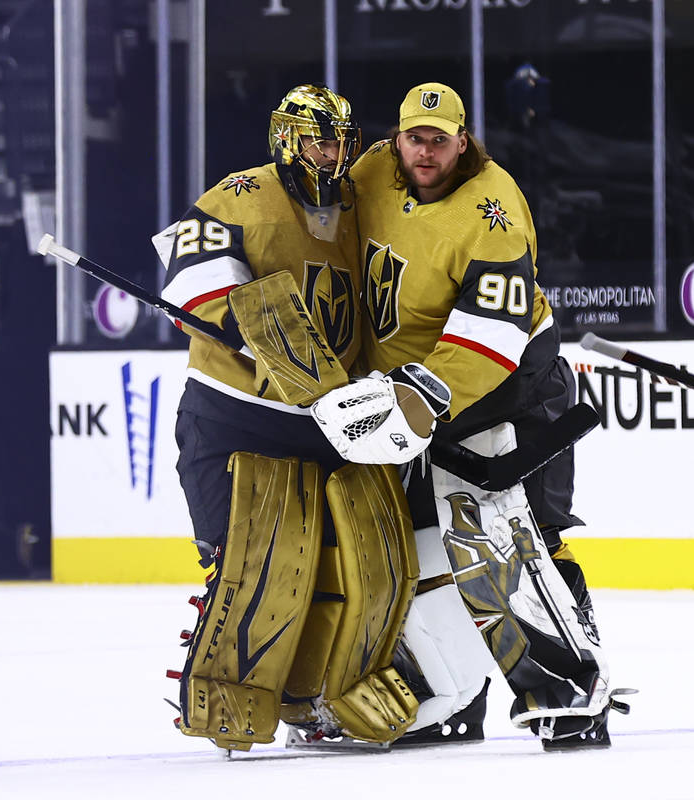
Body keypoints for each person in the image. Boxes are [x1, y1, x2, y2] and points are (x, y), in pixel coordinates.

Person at [156, 85, 492, 753]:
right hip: (237, 416)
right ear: (285, 137)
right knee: (256, 565)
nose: (330, 152)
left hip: (331, 419)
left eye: (338, 139)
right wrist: (248, 325)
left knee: (368, 569)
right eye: (316, 139)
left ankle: (321, 699)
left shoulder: (357, 205)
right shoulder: (242, 193)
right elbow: (188, 275)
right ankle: (234, 687)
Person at [311, 81, 621, 750]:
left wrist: (415, 400)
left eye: (440, 139)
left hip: (506, 382)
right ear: (396, 139)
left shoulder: (494, 209)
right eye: (414, 138)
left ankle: (569, 690)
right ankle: (449, 699)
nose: (426, 152)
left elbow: (491, 338)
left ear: (463, 141)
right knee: (415, 545)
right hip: (411, 390)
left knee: (490, 533)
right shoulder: (370, 175)